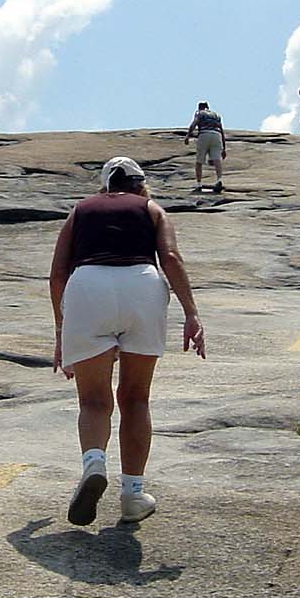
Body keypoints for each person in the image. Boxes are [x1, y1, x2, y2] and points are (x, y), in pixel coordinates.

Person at [50, 157, 204, 526]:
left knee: (93, 400)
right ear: (140, 184)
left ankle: (94, 464)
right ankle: (133, 495)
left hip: (88, 287)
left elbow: (57, 273)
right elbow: (169, 256)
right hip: (142, 286)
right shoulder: (152, 209)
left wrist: (61, 331)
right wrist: (191, 313)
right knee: (135, 398)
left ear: (105, 185)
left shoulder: (81, 210)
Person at [184, 101, 227, 193]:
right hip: (217, 135)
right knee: (217, 160)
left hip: (204, 134)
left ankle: (199, 184)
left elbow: (194, 124)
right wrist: (224, 148)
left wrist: (188, 135)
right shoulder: (216, 115)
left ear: (199, 107)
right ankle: (219, 180)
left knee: (199, 161)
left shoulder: (200, 113)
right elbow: (222, 130)